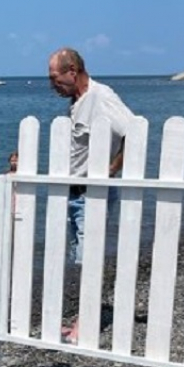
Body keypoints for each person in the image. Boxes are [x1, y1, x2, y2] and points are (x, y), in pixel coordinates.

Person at [48, 47, 135, 342]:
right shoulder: (77, 102)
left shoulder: (101, 96)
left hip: (91, 194)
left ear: (72, 71)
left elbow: (132, 131)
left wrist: (111, 169)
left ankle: (85, 326)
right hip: (72, 193)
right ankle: (81, 318)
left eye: (55, 78)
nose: (52, 85)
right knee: (81, 259)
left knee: (90, 259)